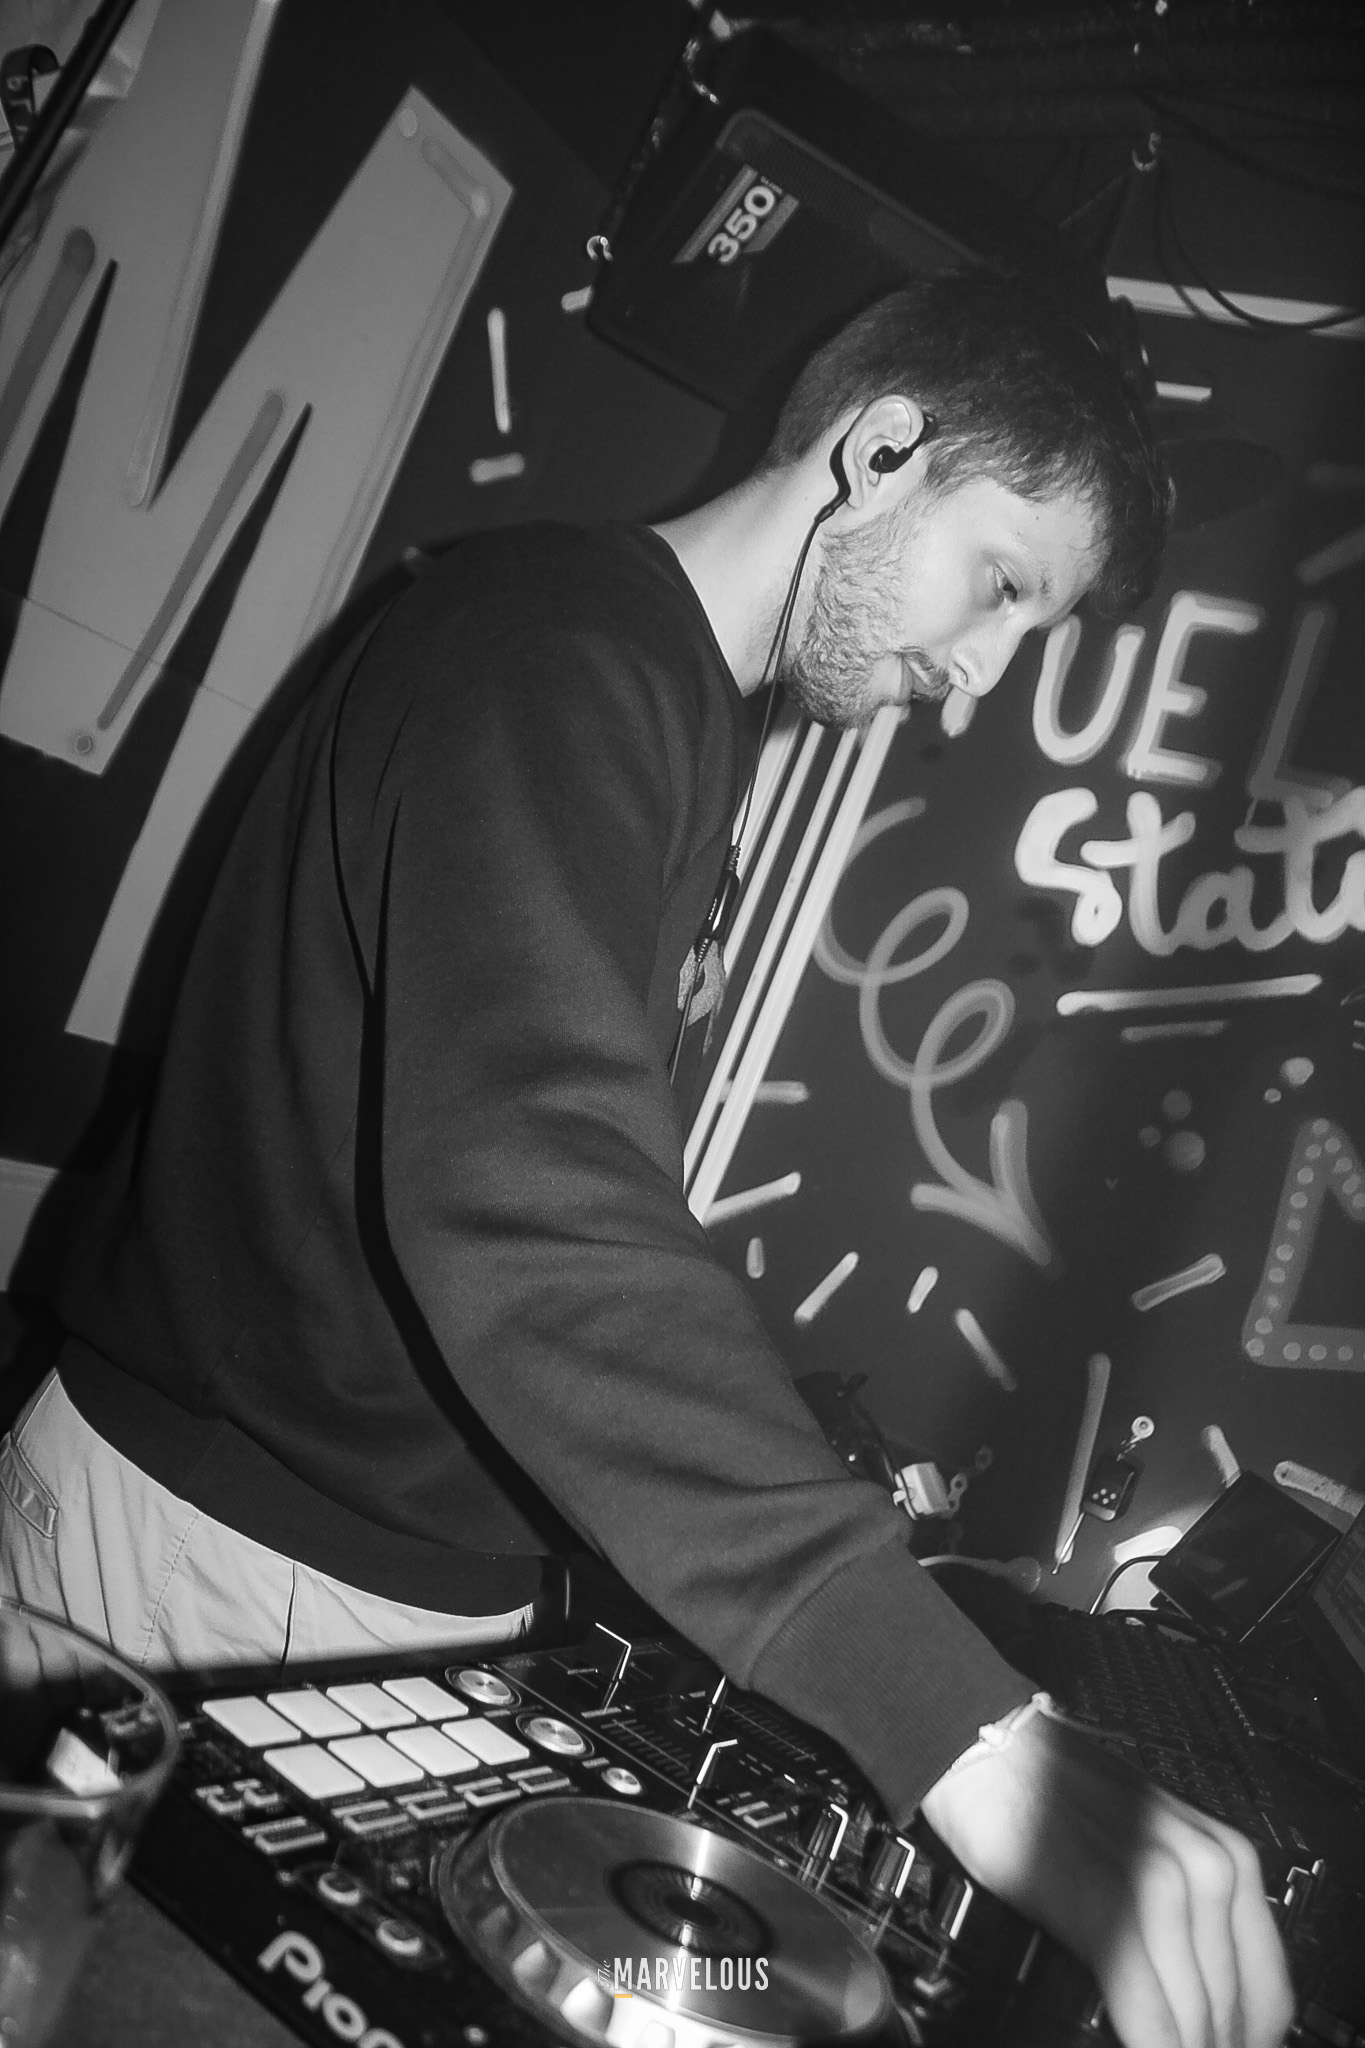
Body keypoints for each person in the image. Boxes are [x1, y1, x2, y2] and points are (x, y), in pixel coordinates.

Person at [0, 270, 1291, 2048]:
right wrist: (960, 1728)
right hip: (212, 1560)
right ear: (879, 450)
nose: (978, 679)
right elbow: (525, 1187)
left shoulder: (669, 706)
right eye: (999, 586)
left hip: (335, 1583)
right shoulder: (553, 646)